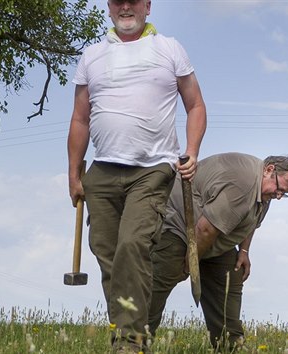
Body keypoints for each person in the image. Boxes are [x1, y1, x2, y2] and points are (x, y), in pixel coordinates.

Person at [66, 0, 206, 352]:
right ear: (109, 8)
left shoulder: (169, 49)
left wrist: (192, 150)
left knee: (132, 245)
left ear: (147, 6)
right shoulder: (92, 56)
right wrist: (74, 172)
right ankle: (128, 334)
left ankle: (130, 343)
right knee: (109, 257)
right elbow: (80, 119)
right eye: (117, 1)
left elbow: (196, 106)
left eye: (133, 1)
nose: (125, 7)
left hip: (153, 168)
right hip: (102, 169)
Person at [148, 152, 288, 351]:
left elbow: (252, 220)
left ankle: (230, 347)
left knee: (229, 278)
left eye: (285, 193)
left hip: (213, 234)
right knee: (161, 280)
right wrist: (190, 265)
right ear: (269, 169)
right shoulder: (242, 184)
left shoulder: (265, 189)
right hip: (179, 224)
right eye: (280, 189)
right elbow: (205, 229)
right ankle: (132, 342)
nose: (279, 196)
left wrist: (244, 250)